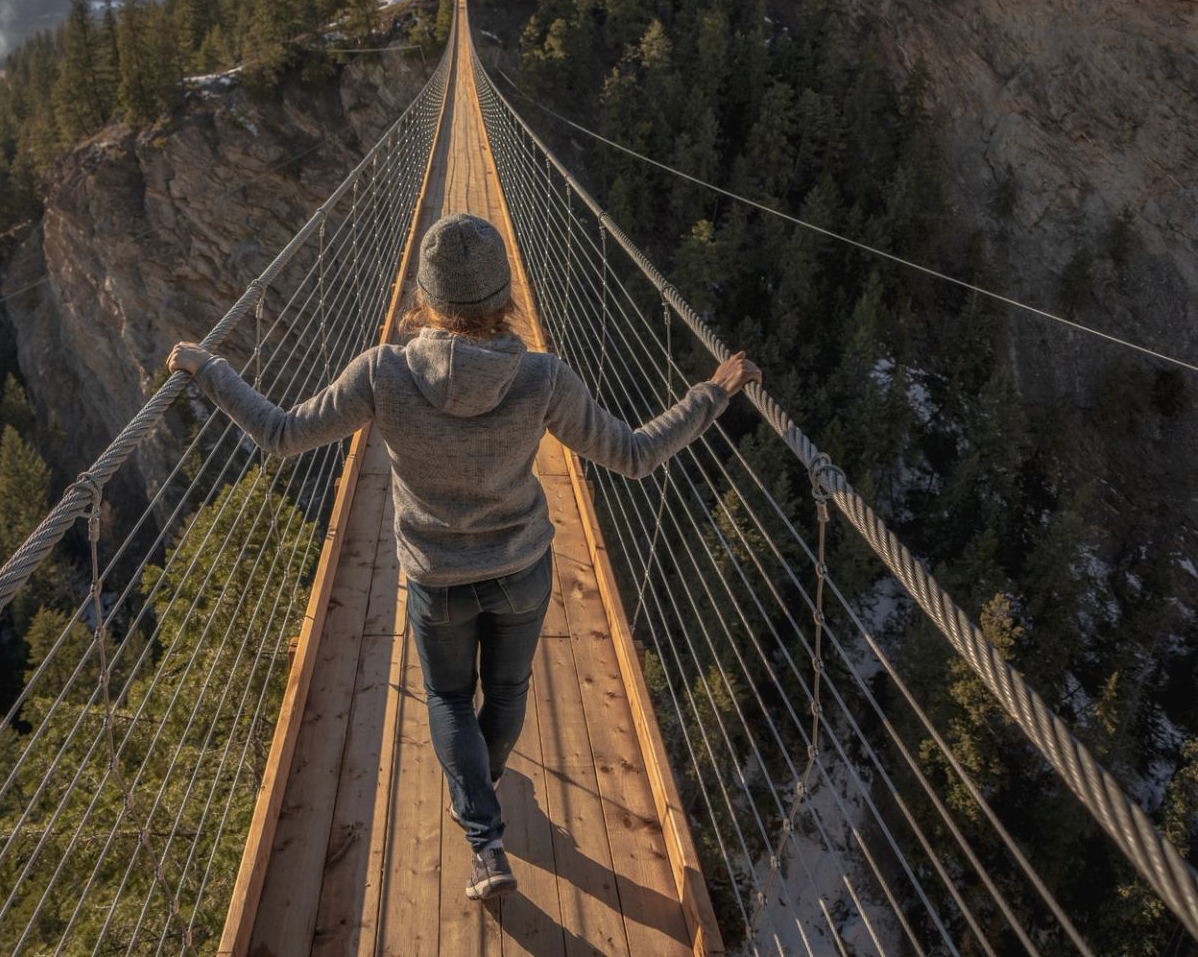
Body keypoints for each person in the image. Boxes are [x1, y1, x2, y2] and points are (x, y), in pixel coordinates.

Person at [168, 212, 760, 903]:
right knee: (506, 692)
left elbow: (279, 434)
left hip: (437, 580)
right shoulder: (543, 378)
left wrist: (209, 370)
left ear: (425, 298)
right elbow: (633, 456)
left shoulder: (383, 373)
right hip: (520, 573)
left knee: (448, 697)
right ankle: (486, 776)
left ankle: (486, 842)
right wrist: (711, 393)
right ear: (504, 296)